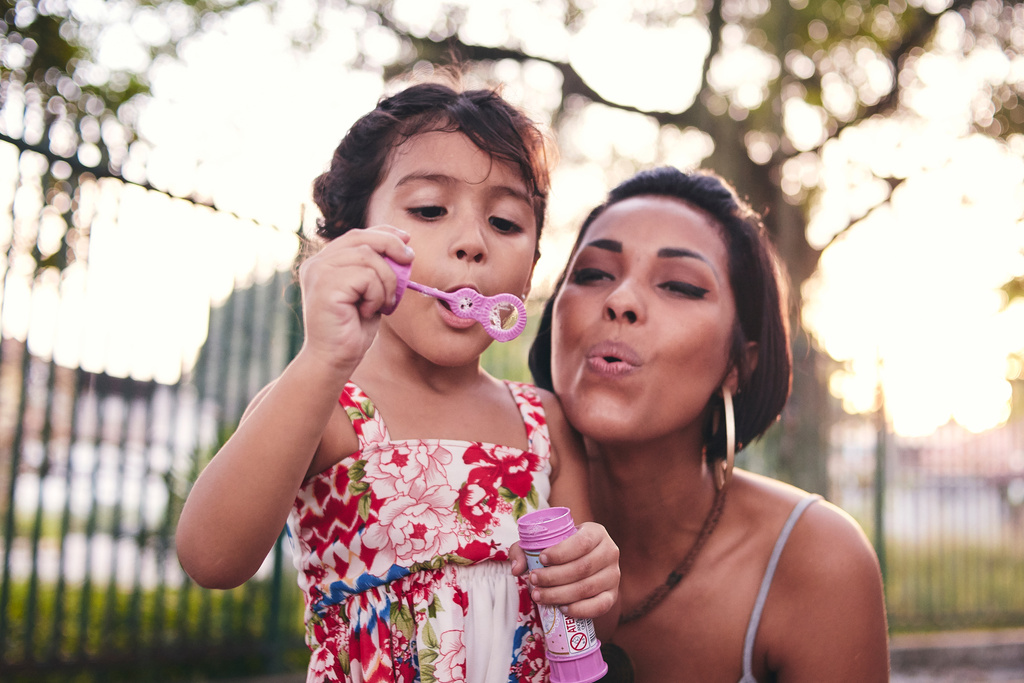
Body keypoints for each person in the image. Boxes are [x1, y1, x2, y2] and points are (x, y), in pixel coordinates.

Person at [175, 79, 619, 683]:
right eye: (430, 210)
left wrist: (591, 578)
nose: (471, 243)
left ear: (533, 266)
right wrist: (322, 359)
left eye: (506, 222)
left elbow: (589, 632)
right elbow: (211, 558)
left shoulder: (543, 423)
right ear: (352, 239)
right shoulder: (323, 402)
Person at [529, 166, 890, 682]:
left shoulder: (816, 562)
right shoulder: (473, 512)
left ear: (737, 364)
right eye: (593, 275)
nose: (621, 301)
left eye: (678, 285)